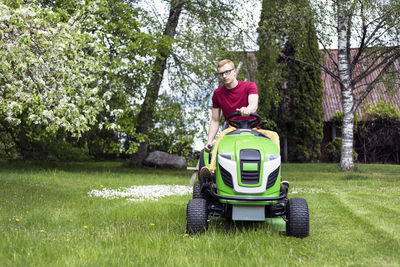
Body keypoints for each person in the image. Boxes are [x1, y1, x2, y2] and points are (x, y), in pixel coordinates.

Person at [199, 59, 287, 190]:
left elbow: (253, 103)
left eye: (227, 72)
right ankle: (212, 172)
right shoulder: (218, 94)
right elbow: (215, 119)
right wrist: (209, 141)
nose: (224, 76)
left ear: (234, 72)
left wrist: (248, 109)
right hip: (232, 129)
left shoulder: (249, 86)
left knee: (274, 136)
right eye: (221, 73)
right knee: (222, 136)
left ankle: (275, 176)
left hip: (253, 129)